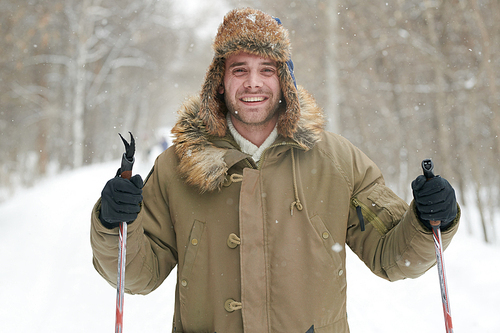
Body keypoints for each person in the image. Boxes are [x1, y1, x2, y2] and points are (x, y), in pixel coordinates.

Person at [91, 8, 460, 333]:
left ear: (284, 80)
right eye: (240, 70)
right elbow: (138, 274)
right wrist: (113, 226)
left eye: (266, 70)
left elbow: (393, 257)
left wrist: (429, 220)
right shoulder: (177, 167)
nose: (253, 83)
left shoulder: (336, 160)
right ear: (219, 82)